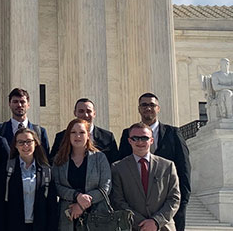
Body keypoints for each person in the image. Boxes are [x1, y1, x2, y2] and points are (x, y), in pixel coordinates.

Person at [119, 93, 190, 231]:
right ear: (139, 109)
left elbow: (184, 169)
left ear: (158, 108)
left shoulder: (173, 133)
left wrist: (182, 204)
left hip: (166, 213)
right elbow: (122, 169)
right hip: (135, 216)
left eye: (152, 104)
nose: (148, 108)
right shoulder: (128, 134)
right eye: (144, 105)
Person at [112, 123, 180, 231]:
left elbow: (174, 198)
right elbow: (117, 201)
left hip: (163, 227)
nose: (140, 142)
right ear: (130, 141)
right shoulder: (118, 168)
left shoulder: (167, 166)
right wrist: (142, 224)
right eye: (135, 138)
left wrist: (156, 221)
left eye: (144, 138)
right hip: (132, 227)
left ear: (151, 140)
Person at [51, 119, 112, 231]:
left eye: (82, 132)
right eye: (73, 132)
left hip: (96, 217)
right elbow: (56, 185)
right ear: (68, 135)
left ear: (88, 135)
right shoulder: (59, 159)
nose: (77, 136)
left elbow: (105, 187)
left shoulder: (100, 158)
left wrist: (81, 205)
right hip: (68, 217)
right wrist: (76, 196)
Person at [0, 128, 58, 231]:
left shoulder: (45, 170)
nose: (25, 145)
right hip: (13, 225)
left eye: (29, 142)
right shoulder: (8, 169)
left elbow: (51, 206)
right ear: (15, 145)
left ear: (35, 143)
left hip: (39, 226)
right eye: (21, 142)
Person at [50, 98, 120, 163]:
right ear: (75, 113)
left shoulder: (107, 137)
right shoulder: (61, 137)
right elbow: (53, 161)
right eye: (81, 111)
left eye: (89, 111)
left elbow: (115, 163)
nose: (85, 115)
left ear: (94, 114)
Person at [0, 88, 50, 154]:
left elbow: (45, 159)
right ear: (9, 104)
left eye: (22, 102)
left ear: (28, 105)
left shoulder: (40, 132)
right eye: (15, 102)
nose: (19, 105)